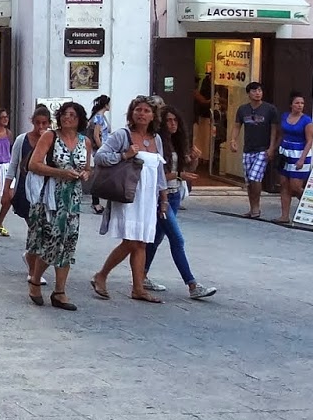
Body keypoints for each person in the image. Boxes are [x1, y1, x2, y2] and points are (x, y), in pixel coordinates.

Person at [91, 96, 170, 303]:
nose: (141, 114)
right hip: (129, 195)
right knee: (131, 242)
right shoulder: (122, 135)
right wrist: (124, 155)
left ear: (153, 115)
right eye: (138, 110)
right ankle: (101, 275)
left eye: (146, 110)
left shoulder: (156, 139)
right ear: (131, 113)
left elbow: (159, 171)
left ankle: (138, 288)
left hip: (148, 198)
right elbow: (100, 157)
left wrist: (164, 199)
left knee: (141, 242)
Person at [143, 105, 218, 300]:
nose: (172, 124)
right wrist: (178, 174)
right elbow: (159, 175)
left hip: (175, 195)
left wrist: (194, 160)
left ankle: (141, 274)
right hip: (163, 197)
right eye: (168, 121)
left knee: (157, 238)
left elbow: (187, 171)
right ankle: (192, 284)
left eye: (175, 120)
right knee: (177, 239)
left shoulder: (178, 142)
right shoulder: (158, 142)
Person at [25, 101, 88, 310]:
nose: (67, 118)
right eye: (64, 114)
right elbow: (33, 164)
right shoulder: (50, 136)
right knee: (51, 242)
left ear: (79, 119)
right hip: (52, 197)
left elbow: (88, 166)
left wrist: (85, 173)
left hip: (73, 200)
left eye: (72, 115)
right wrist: (61, 173)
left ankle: (60, 291)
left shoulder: (84, 141)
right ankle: (35, 280)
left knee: (68, 244)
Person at [2, 105, 52, 274]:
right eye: (37, 123)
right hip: (25, 189)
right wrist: (7, 189)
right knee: (35, 229)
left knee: (44, 231)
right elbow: (13, 164)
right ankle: (33, 270)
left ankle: (30, 256)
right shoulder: (22, 140)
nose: (40, 127)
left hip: (46, 190)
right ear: (32, 122)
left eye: (44, 123)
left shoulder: (52, 141)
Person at [233, 81, 281, 218]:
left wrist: (271, 148)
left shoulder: (269, 109)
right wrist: (233, 140)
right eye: (254, 91)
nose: (257, 93)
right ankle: (252, 207)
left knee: (255, 177)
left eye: (259, 90)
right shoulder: (243, 109)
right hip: (248, 148)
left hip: (263, 149)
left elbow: (274, 130)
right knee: (249, 180)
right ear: (248, 93)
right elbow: (237, 126)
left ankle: (256, 208)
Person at [276, 91, 313, 224]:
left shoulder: (307, 120)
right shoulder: (285, 116)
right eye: (297, 103)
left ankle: (310, 204)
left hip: (300, 153)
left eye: (302, 103)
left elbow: (309, 141)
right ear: (291, 105)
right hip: (285, 152)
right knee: (284, 184)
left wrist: (302, 159)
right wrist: (275, 149)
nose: (300, 105)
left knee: (295, 186)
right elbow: (281, 134)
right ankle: (284, 215)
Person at [87, 95, 112, 213]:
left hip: (104, 148)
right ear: (105, 104)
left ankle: (97, 202)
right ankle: (96, 202)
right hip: (101, 150)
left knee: (102, 175)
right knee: (100, 175)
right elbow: (97, 135)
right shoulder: (99, 117)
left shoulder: (100, 116)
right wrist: (103, 149)